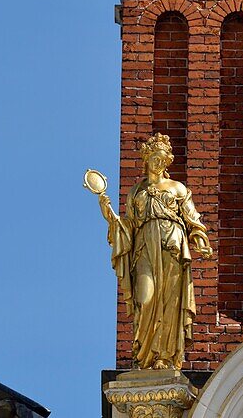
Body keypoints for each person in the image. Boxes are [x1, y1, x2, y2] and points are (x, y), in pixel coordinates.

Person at [95, 133, 213, 369]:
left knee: (170, 300)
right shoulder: (136, 192)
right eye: (154, 159)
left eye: (162, 159)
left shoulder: (178, 188)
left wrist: (200, 239)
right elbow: (128, 227)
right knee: (146, 298)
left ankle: (165, 356)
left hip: (172, 245)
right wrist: (110, 216)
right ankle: (145, 354)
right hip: (144, 248)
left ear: (167, 161)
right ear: (146, 160)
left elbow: (193, 220)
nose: (158, 163)